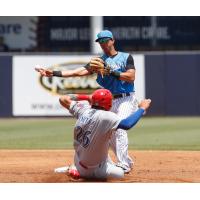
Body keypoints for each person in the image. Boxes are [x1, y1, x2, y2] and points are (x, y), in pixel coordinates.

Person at [35, 30, 137, 173]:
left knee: (119, 128)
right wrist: (53, 73)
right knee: (110, 131)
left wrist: (110, 72)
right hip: (108, 100)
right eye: (100, 42)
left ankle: (123, 164)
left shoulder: (125, 57)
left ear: (112, 40)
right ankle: (126, 161)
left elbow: (130, 77)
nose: (103, 44)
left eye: (106, 40)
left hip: (126, 98)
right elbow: (76, 72)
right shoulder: (98, 62)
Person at [54, 89, 151, 179]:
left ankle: (74, 167)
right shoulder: (106, 116)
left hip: (79, 162)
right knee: (120, 174)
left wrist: (86, 97)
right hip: (96, 169)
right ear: (108, 104)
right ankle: (84, 172)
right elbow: (127, 124)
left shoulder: (83, 110)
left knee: (98, 140)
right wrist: (142, 108)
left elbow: (63, 99)